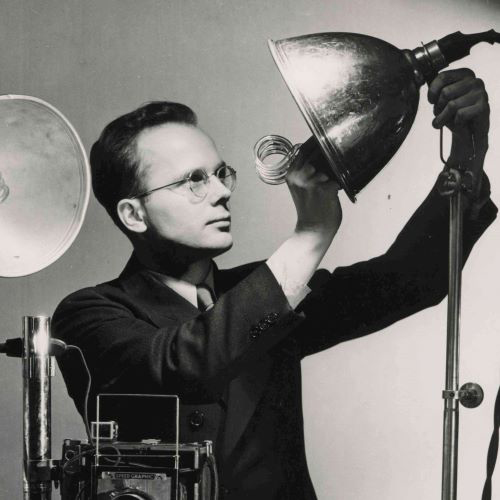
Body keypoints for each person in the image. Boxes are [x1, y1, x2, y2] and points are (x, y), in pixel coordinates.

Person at [53, 68, 496, 499]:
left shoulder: (265, 291)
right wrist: (311, 234)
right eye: (193, 180)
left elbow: (411, 279)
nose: (222, 191)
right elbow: (183, 366)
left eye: (221, 173)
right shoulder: (88, 315)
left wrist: (468, 150)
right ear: (134, 214)